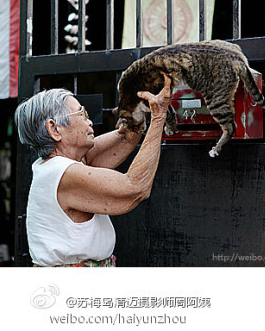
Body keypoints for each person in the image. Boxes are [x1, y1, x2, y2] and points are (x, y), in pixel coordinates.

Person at [14, 77, 172, 267]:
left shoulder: (64, 162)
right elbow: (135, 188)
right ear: (55, 129)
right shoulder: (62, 172)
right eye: (82, 113)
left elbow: (127, 138)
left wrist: (135, 108)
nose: (89, 121)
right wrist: (158, 116)